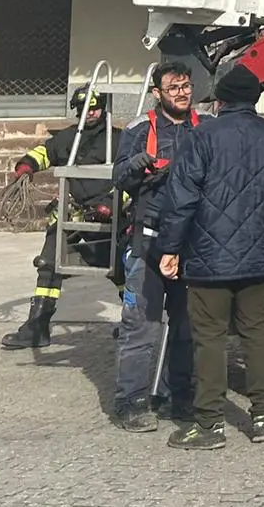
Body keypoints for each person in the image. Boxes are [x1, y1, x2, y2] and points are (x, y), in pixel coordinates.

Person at [156, 63, 264, 450]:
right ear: (255, 100)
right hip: (257, 255)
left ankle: (209, 425)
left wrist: (170, 248)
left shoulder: (201, 137)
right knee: (255, 333)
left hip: (207, 260)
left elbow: (181, 199)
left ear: (220, 100)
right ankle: (263, 418)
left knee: (210, 339)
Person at [107, 59, 208, 431]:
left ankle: (176, 398)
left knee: (186, 326)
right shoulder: (139, 129)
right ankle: (130, 402)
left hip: (190, 244)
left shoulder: (205, 128)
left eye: (186, 87)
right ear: (157, 93)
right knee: (141, 326)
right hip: (148, 242)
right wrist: (137, 165)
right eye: (173, 88)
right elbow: (117, 177)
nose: (182, 94)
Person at [1, 85, 117, 351]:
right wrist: (26, 166)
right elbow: (45, 152)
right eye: (85, 109)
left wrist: (112, 204)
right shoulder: (67, 138)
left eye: (95, 107)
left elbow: (132, 177)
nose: (91, 113)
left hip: (110, 218)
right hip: (72, 214)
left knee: (120, 268)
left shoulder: (120, 140)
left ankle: (133, 324)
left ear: (104, 108)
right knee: (49, 265)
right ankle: (37, 327)